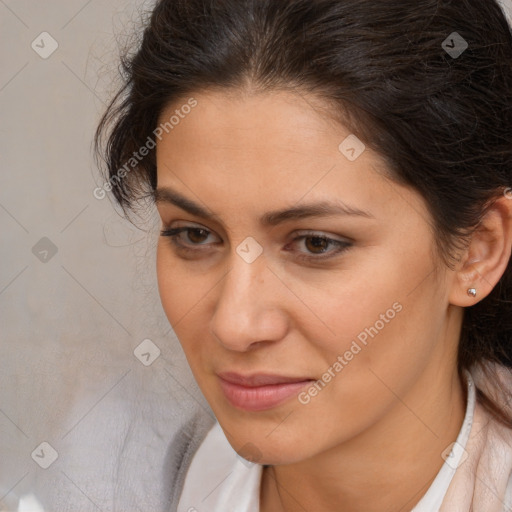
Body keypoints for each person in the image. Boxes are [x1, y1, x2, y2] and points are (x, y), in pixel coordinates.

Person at [95, 0, 512, 510]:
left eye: (317, 243)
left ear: (478, 249)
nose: (235, 324)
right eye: (195, 235)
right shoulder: (121, 479)